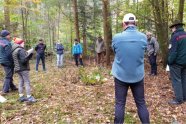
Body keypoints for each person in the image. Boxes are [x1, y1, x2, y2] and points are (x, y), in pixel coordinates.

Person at [112, 13, 149, 123]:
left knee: (120, 103)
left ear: (124, 23)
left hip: (120, 76)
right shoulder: (143, 37)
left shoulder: (117, 37)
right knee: (141, 103)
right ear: (135, 23)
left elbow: (115, 51)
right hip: (137, 75)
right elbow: (144, 51)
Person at [12, 38, 36, 103]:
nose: (24, 44)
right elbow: (23, 61)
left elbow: (20, 59)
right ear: (20, 43)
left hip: (17, 69)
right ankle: (29, 97)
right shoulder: (20, 50)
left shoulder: (14, 50)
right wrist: (30, 55)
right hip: (23, 68)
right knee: (27, 82)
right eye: (23, 43)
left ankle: (21, 96)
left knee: (21, 81)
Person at [168, 20, 186, 105]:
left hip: (177, 63)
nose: (171, 29)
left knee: (177, 80)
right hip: (185, 62)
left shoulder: (175, 36)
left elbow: (173, 52)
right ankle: (184, 97)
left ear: (175, 27)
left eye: (172, 28)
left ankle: (179, 99)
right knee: (184, 79)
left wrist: (169, 61)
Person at [0, 30, 17, 95]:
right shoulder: (7, 43)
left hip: (2, 60)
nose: (10, 36)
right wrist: (13, 61)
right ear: (6, 35)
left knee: (9, 74)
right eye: (9, 35)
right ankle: (5, 90)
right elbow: (9, 54)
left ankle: (12, 87)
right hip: (7, 61)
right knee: (9, 75)